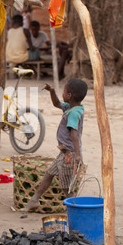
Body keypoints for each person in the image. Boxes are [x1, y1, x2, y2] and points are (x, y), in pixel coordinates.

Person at [25, 78, 88, 211]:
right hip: (64, 152)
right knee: (49, 174)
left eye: (64, 91)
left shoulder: (74, 113)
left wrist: (77, 155)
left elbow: (74, 134)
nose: (62, 93)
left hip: (70, 155)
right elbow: (56, 103)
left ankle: (75, 209)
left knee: (66, 186)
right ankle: (34, 200)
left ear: (69, 95)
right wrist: (52, 91)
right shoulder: (71, 107)